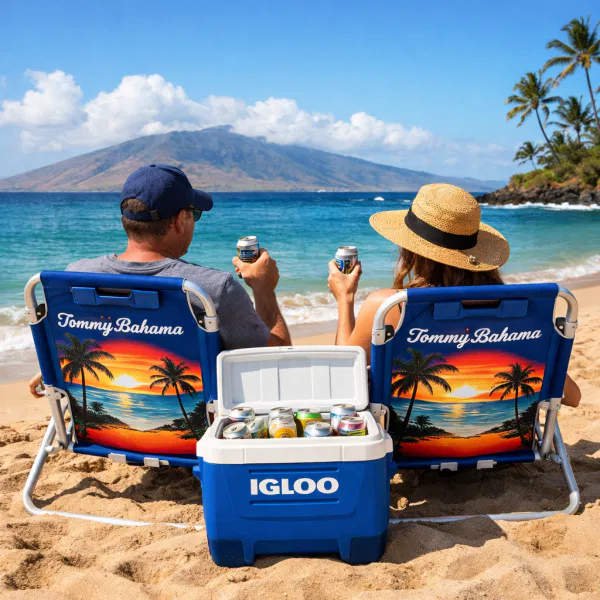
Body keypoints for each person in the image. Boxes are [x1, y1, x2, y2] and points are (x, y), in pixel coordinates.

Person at [29, 164, 290, 397]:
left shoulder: (76, 276)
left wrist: (55, 366)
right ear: (179, 220)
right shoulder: (211, 289)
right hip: (201, 442)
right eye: (194, 214)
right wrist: (264, 289)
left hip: (102, 438)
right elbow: (278, 364)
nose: (193, 222)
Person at [327, 183, 581, 407]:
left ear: (412, 251)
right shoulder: (525, 309)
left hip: (402, 455)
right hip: (503, 452)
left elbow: (342, 383)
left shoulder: (390, 307)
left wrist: (344, 298)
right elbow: (573, 397)